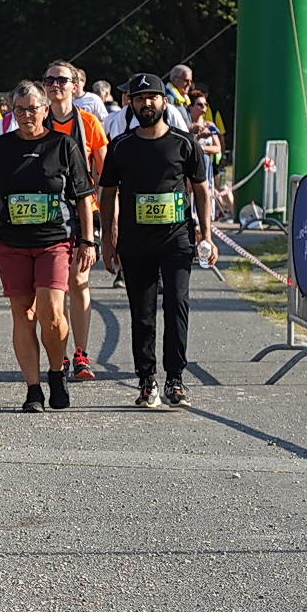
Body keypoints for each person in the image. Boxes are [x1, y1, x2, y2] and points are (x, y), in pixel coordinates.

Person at [0, 81, 97, 413]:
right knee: (22, 316)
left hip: (54, 241)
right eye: (19, 109)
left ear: (45, 110)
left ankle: (56, 373)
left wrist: (87, 240)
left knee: (52, 312)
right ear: (12, 113)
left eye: (32, 108)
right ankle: (33, 389)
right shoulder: (0, 148)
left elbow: (84, 197)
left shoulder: (63, 145)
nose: (26, 115)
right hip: (10, 242)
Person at [99, 74, 215, 407]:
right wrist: (108, 239)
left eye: (152, 97)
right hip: (135, 242)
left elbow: (202, 191)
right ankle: (147, 380)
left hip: (177, 238)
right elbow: (107, 195)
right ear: (130, 104)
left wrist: (206, 234)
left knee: (177, 305)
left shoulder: (184, 143)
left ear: (164, 101)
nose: (146, 103)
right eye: (139, 98)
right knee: (143, 313)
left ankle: (175, 380)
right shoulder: (121, 146)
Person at [41, 61, 108, 381]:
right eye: (50, 80)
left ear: (75, 85)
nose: (56, 85)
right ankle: (59, 354)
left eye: (62, 80)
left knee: (78, 281)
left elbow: (106, 175)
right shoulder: (38, 122)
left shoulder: (90, 123)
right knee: (52, 288)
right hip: (47, 211)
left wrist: (109, 223)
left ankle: (80, 353)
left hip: (84, 209)